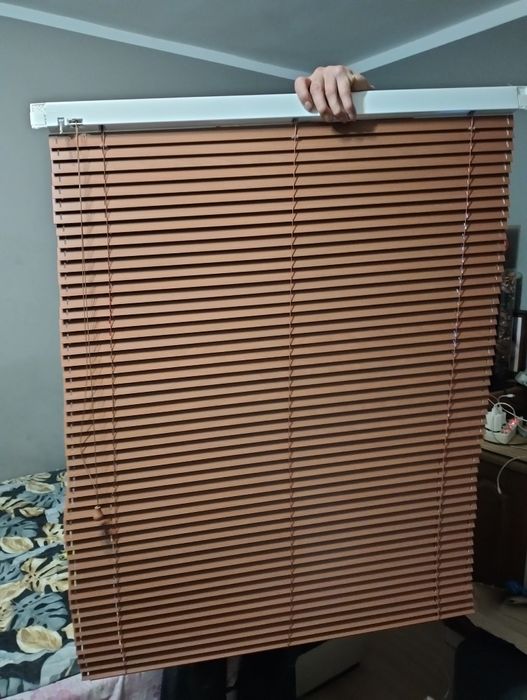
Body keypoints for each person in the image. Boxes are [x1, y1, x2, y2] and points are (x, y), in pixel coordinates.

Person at [160, 64, 372, 700]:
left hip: (284, 499)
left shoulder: (312, 290)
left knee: (270, 655)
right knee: (192, 657)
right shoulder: (180, 300)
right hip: (204, 495)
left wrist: (345, 90)